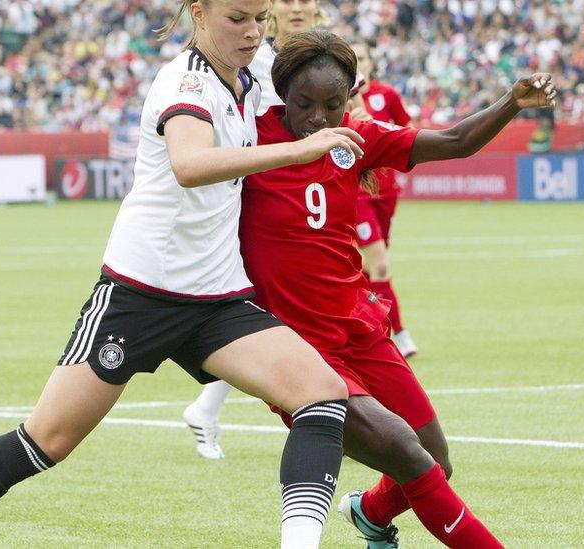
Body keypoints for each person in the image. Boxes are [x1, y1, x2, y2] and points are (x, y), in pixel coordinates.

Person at [0, 2, 368, 548]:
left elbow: (319, 100)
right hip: (141, 293)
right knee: (46, 441)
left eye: (260, 17)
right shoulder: (185, 82)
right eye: (237, 18)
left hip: (217, 295)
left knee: (321, 394)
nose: (252, 31)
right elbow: (190, 164)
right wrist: (299, 151)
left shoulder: (251, 76)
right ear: (198, 14)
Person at [239, 30, 556, 547]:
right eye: (304, 104)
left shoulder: (357, 140)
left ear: (350, 99)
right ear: (281, 94)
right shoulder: (248, 141)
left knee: (435, 462)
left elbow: (455, 142)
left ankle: (370, 511)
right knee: (409, 455)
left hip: (360, 331)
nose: (318, 119)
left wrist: (512, 101)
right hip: (300, 354)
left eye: (333, 105)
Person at [182, 0, 324, 461]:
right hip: (255, 196)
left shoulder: (319, 55)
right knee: (268, 307)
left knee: (264, 308)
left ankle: (207, 408)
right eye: (287, 1)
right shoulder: (247, 59)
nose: (298, 8)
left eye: (307, 0)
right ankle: (319, 406)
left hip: (295, 192)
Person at [349, 41, 419, 358]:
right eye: (352, 60)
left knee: (365, 269)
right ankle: (395, 335)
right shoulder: (339, 99)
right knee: (378, 264)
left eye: (362, 58)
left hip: (387, 192)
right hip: (358, 193)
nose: (358, 64)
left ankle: (360, 328)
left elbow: (408, 132)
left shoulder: (386, 95)